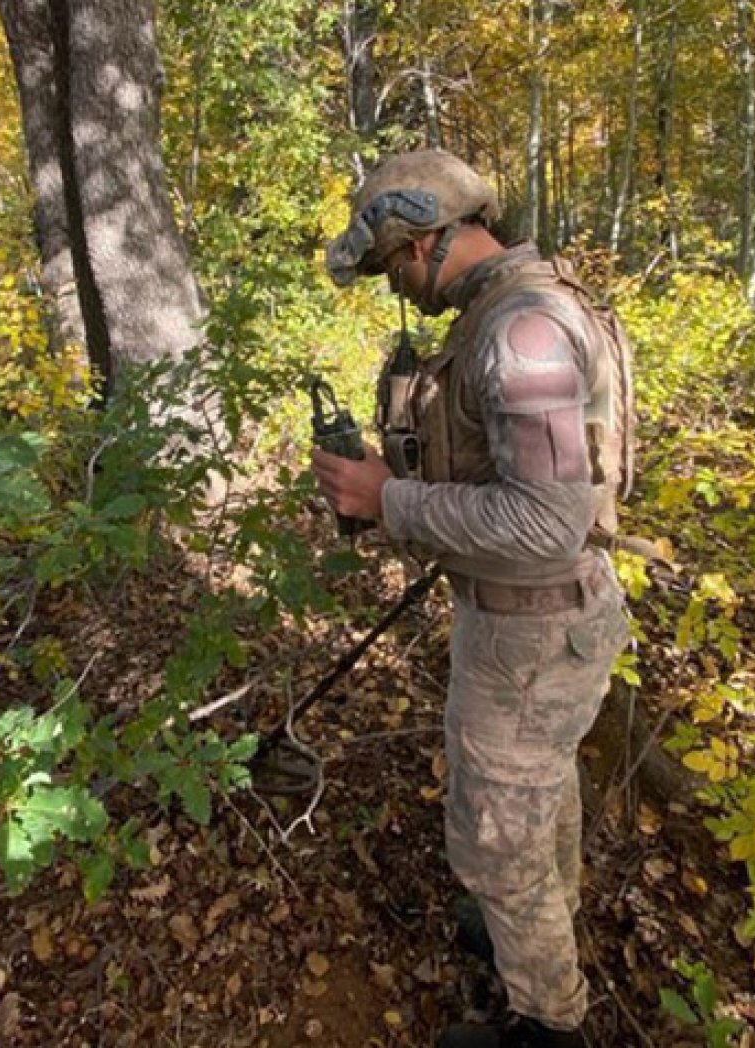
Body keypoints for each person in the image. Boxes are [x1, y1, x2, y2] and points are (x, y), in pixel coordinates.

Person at [312, 150, 632, 1048]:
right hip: (535, 625)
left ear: (422, 241)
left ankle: (546, 1021)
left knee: (497, 835)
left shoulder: (519, 331)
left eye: (390, 269)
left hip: (531, 634)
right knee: (536, 804)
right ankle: (529, 929)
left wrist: (389, 500)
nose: (396, 288)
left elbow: (545, 523)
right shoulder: (523, 308)